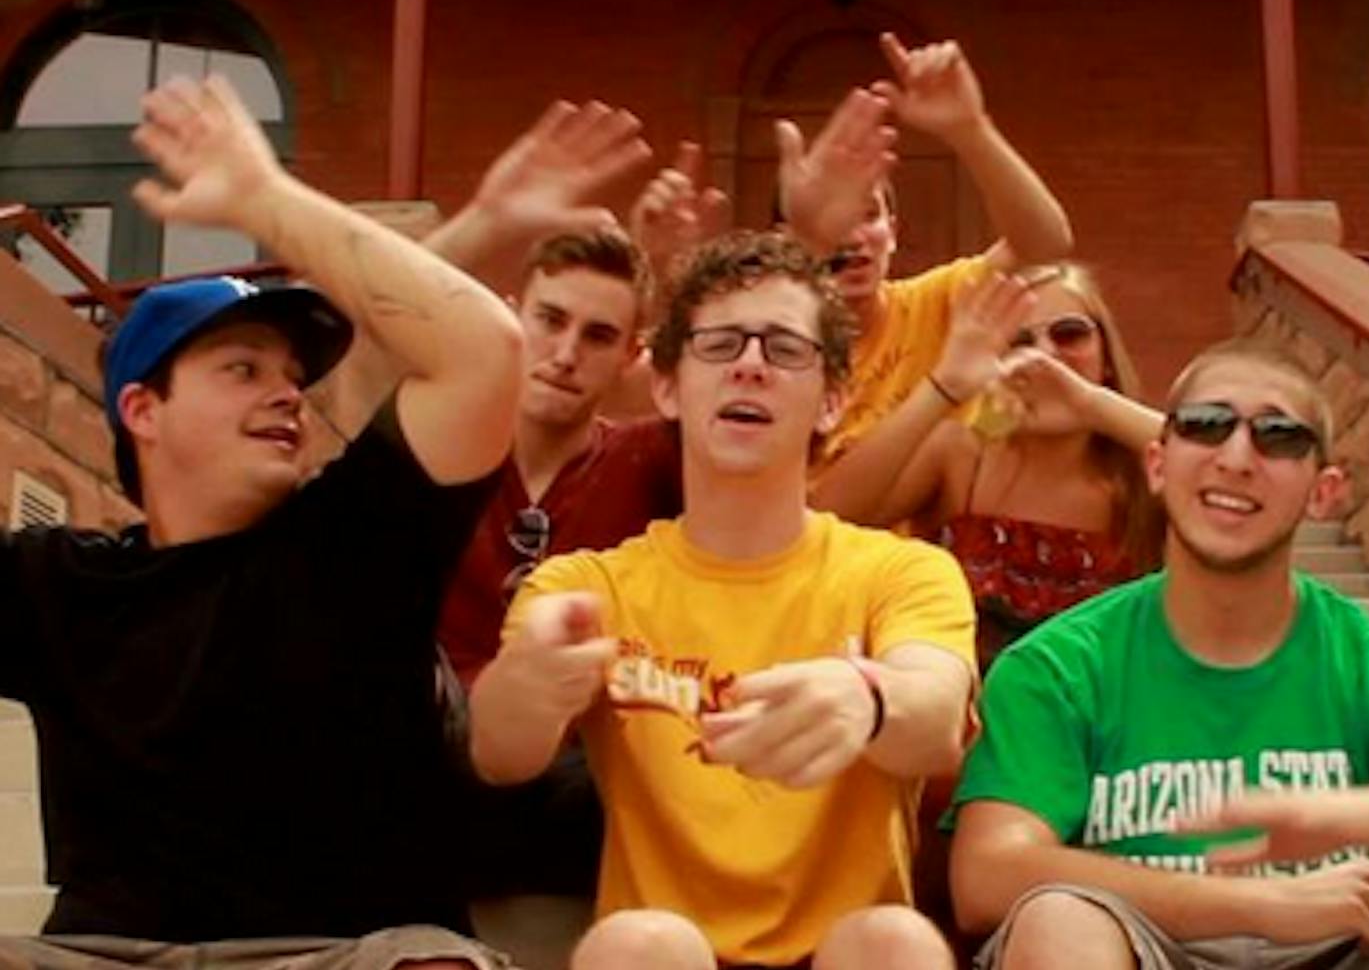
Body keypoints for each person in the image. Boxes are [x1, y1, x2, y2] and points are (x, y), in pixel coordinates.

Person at [0, 70, 581, 969]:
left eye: (293, 379)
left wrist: (263, 199)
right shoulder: (54, 582)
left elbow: (482, 351)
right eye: (243, 370)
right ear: (142, 410)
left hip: (341, 953)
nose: (287, 396)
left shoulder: (352, 538)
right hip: (104, 954)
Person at [468, 230, 976, 969]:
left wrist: (868, 696)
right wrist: (531, 676)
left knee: (892, 941)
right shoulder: (591, 585)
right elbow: (499, 753)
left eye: (785, 348)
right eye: (720, 344)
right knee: (637, 944)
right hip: (665, 955)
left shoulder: (901, 572)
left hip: (845, 956)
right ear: (668, 388)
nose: (750, 365)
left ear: (833, 400)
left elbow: (935, 716)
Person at [949, 341, 1369, 969]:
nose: (1236, 458)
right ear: (1157, 465)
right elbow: (987, 874)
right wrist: (1255, 904)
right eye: (1205, 425)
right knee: (1058, 921)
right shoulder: (1061, 665)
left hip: (1341, 946)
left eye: (1279, 437)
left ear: (1323, 493)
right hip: (1145, 946)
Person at [434, 228, 681, 899]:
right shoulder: (439, 451)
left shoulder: (651, 460)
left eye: (598, 336)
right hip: (432, 762)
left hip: (581, 782)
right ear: (513, 318)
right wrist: (491, 216)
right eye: (550, 320)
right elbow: (363, 358)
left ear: (632, 355)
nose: (566, 354)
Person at [775, 34, 1073, 477]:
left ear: (893, 233)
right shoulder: (766, 342)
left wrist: (970, 131)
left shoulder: (934, 303)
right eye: (840, 219)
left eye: (869, 215)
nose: (853, 238)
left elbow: (1044, 243)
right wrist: (810, 240)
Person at [856, 262, 1163, 671]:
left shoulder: (1147, 473)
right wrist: (945, 385)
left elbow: (1231, 472)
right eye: (1018, 342)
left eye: (1069, 333)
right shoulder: (961, 455)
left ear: (1106, 353)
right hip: (962, 702)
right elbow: (829, 517)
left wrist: (1091, 405)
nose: (1044, 355)